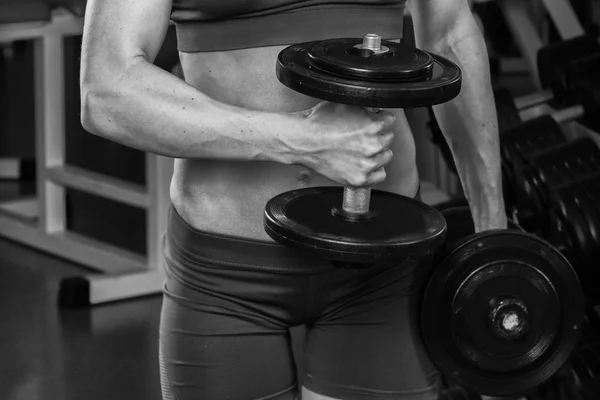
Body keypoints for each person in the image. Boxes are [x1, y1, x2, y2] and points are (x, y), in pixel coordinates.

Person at [80, 0, 507, 398]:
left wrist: (495, 234)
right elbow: (106, 89)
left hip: (386, 270)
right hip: (227, 273)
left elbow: (449, 32)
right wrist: (302, 141)